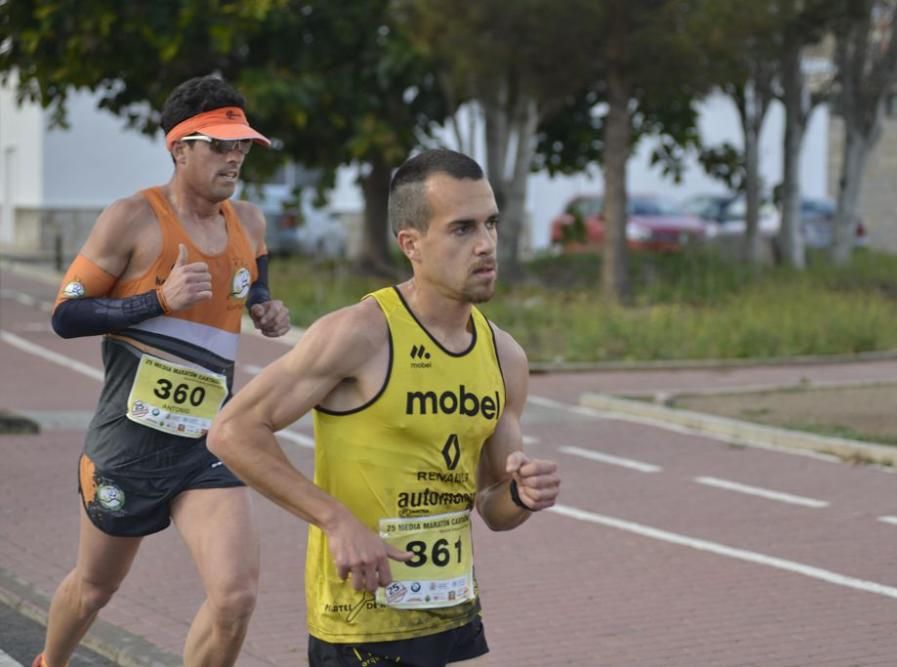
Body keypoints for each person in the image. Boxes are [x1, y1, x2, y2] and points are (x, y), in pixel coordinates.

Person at [207, 148, 561, 666]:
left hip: (448, 610)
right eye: (462, 229)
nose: (486, 245)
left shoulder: (504, 356)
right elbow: (233, 431)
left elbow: (493, 508)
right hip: (360, 619)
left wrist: (522, 494)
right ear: (411, 244)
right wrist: (335, 520)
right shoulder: (361, 333)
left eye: (491, 224)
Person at [35, 75, 290, 667]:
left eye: (243, 145)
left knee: (235, 598)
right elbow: (65, 317)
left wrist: (264, 308)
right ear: (180, 148)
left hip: (207, 441)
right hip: (130, 441)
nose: (236, 157)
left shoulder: (250, 222)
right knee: (95, 589)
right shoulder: (131, 218)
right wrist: (157, 300)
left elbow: (255, 279)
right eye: (221, 145)